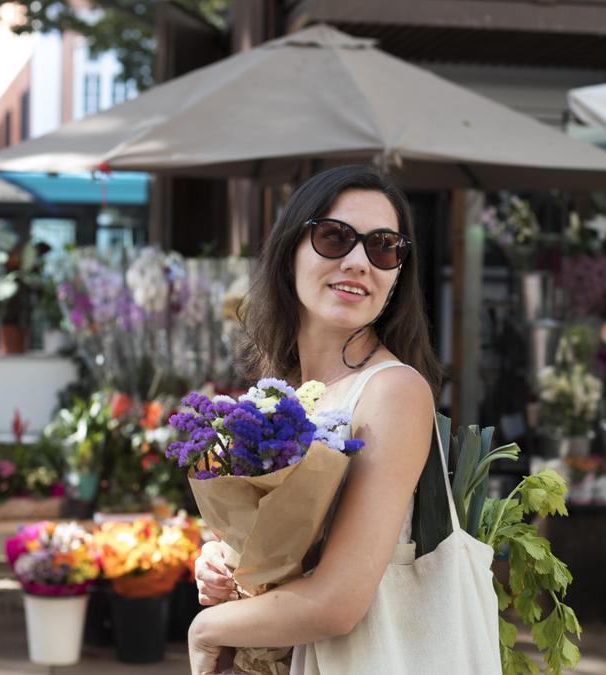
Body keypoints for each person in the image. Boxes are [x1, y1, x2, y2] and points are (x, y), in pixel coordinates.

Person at [188, 165, 443, 674]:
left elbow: (337, 603)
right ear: (290, 254)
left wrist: (205, 631)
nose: (358, 262)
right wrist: (224, 564)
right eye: (334, 237)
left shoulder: (392, 390)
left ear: (397, 275)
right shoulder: (282, 395)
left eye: (384, 246)